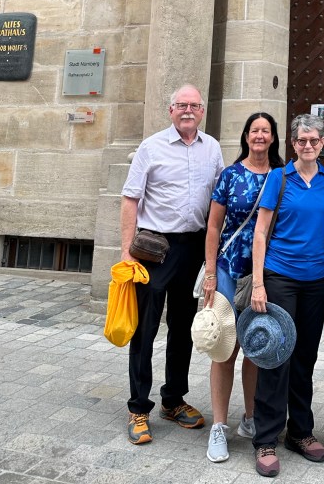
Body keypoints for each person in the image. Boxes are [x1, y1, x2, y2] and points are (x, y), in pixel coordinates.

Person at [120, 84, 224, 445]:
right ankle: (138, 407)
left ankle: (173, 400)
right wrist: (126, 252)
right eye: (181, 105)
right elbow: (130, 198)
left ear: (202, 111)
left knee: (182, 329)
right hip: (154, 248)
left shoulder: (212, 148)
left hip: (193, 247)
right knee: (145, 329)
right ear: (171, 110)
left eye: (194, 105)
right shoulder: (151, 147)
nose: (188, 110)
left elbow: (219, 199)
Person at [249, 113, 324, 477]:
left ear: (322, 144)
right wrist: (259, 283)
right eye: (301, 140)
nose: (307, 146)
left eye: (314, 140)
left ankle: (300, 432)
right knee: (276, 356)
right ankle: (266, 438)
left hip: (317, 280)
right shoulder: (279, 178)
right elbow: (260, 232)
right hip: (280, 277)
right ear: (292, 144)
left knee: (305, 357)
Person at [202, 112, 285, 463]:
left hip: (266, 273)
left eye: (266, 131)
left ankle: (251, 418)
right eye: (254, 130)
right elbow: (213, 226)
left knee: (255, 345)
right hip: (228, 268)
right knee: (224, 347)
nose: (260, 136)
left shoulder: (283, 175)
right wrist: (209, 273)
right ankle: (218, 426)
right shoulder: (231, 175)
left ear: (273, 137)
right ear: (246, 136)